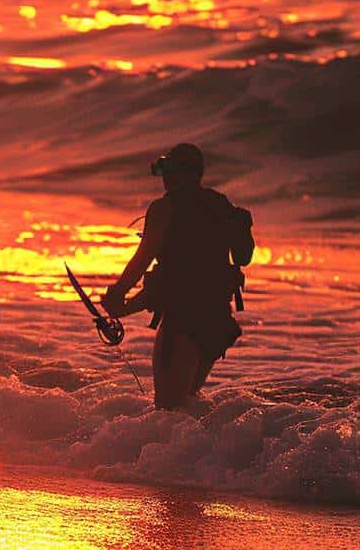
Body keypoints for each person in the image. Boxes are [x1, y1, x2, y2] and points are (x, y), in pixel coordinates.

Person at [101, 143, 255, 409]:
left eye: (167, 171)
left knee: (168, 413)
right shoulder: (220, 204)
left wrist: (117, 294)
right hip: (217, 322)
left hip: (183, 323)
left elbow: (144, 259)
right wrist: (125, 306)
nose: (164, 178)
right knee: (187, 407)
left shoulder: (164, 208)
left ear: (174, 172)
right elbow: (236, 260)